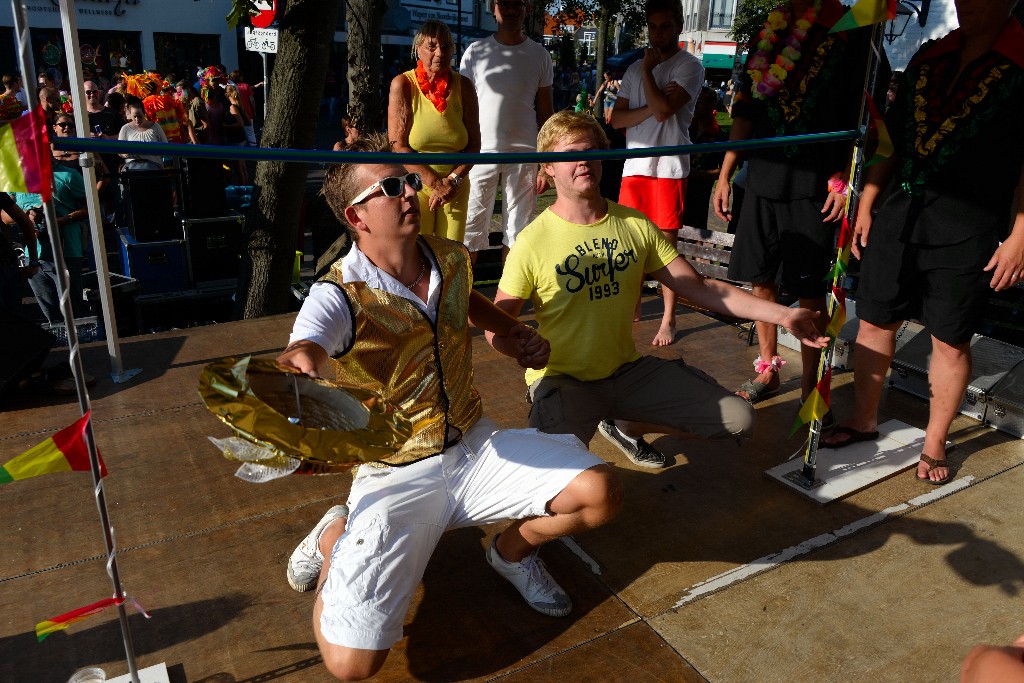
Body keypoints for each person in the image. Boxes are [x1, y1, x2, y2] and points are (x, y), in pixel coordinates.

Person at [277, 132, 621, 681]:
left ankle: (509, 554)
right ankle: (333, 535)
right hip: (396, 474)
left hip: (473, 447)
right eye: (389, 187)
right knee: (351, 665)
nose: (408, 191)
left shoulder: (450, 258)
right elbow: (311, 338)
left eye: (409, 180)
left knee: (599, 492)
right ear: (356, 216)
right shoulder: (337, 293)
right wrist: (302, 357)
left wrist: (517, 334)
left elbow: (472, 308)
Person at [491, 111, 828, 468]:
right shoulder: (531, 241)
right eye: (570, 154)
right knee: (552, 473)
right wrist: (519, 350)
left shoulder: (634, 224)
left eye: (591, 151)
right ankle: (592, 422)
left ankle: (623, 425)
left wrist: (786, 314)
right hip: (562, 379)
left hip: (626, 372)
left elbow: (700, 289)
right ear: (548, 167)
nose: (584, 161)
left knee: (739, 418)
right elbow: (495, 325)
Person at [821, 0, 1024, 485]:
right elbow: (892, 138)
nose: (965, 2)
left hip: (968, 225)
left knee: (950, 341)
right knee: (874, 322)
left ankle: (934, 444)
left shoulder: (1021, 66)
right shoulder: (929, 56)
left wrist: (1020, 235)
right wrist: (867, 199)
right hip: (898, 213)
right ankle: (863, 419)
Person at [712, 0, 882, 407]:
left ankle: (811, 387)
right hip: (761, 179)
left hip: (815, 185)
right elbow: (746, 111)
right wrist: (724, 173)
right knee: (761, 280)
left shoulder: (855, 31)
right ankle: (767, 369)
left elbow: (869, 118)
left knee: (810, 291)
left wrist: (846, 182)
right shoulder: (769, 31)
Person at [611, 0, 704, 347]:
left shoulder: (689, 66)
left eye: (665, 26)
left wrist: (650, 84)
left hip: (669, 169)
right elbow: (617, 120)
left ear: (679, 26)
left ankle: (669, 318)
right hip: (635, 167)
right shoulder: (635, 69)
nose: (658, 33)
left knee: (666, 249)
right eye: (652, 26)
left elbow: (666, 112)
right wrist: (653, 103)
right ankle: (632, 306)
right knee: (630, 243)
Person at [459, 0, 554, 263]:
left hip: (525, 154)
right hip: (479, 154)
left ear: (526, 8)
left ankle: (507, 303)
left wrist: (546, 164)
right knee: (470, 231)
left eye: (517, 4)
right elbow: (463, 107)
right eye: (505, 3)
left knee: (519, 234)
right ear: (493, 7)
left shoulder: (539, 55)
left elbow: (546, 114)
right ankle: (465, 301)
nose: (511, 9)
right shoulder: (476, 51)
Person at [388, 20, 481, 242]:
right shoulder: (403, 84)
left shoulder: (464, 86)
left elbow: (474, 146)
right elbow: (397, 145)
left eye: (446, 47)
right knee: (419, 251)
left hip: (455, 186)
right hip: (417, 186)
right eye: (432, 46)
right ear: (418, 48)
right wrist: (435, 183)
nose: (439, 53)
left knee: (451, 253)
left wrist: (452, 181)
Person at [682, 86, 726, 231]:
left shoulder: (719, 135)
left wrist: (705, 174)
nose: (695, 105)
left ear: (712, 104)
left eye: (699, 101)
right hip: (680, 185)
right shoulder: (685, 128)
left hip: (701, 190)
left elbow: (726, 169)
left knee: (697, 226)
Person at [118, 101, 167, 171]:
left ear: (144, 113)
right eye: (134, 116)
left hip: (154, 170)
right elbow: (120, 151)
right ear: (130, 114)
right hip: (133, 170)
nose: (137, 119)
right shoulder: (125, 129)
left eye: (139, 116)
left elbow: (165, 147)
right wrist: (129, 154)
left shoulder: (155, 127)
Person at [224, 84, 251, 184]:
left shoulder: (233, 107)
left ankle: (242, 188)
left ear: (227, 95)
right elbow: (248, 121)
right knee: (243, 167)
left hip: (236, 139)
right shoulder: (240, 105)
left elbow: (241, 123)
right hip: (241, 138)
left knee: (238, 167)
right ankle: (246, 187)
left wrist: (226, 126)